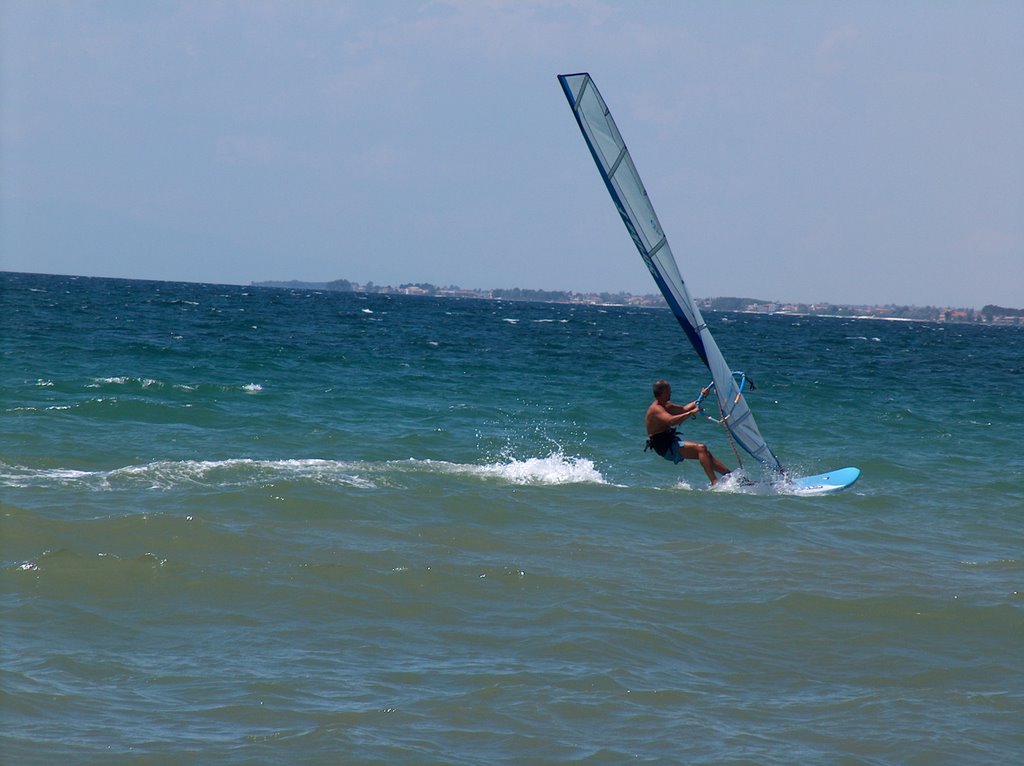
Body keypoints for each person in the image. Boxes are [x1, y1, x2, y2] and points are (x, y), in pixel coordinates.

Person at [645, 379, 731, 486]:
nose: (671, 393)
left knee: (706, 454)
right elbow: (671, 421)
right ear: (663, 392)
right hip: (664, 446)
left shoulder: (665, 405)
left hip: (670, 441)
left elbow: (683, 409)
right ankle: (714, 483)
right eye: (669, 391)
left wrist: (702, 396)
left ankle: (730, 477)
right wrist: (691, 413)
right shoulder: (656, 409)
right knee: (701, 448)